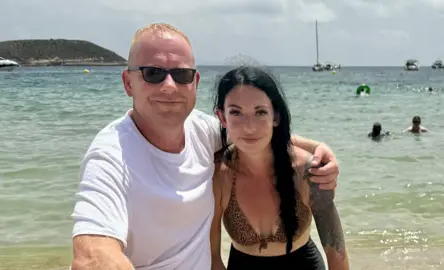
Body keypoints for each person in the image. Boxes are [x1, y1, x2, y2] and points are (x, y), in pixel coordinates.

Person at [71, 23, 340, 270]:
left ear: (195, 82)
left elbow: (253, 133)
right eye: (152, 73)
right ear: (129, 83)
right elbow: (93, 254)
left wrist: (319, 148)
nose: (169, 86)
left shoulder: (202, 131)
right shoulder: (110, 156)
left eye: (181, 74)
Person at [210, 66, 348, 270]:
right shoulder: (219, 175)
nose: (249, 126)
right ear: (222, 117)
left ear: (276, 116)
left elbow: (336, 253)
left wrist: (317, 147)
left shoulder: (306, 171)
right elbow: (212, 258)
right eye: (236, 112)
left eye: (260, 112)